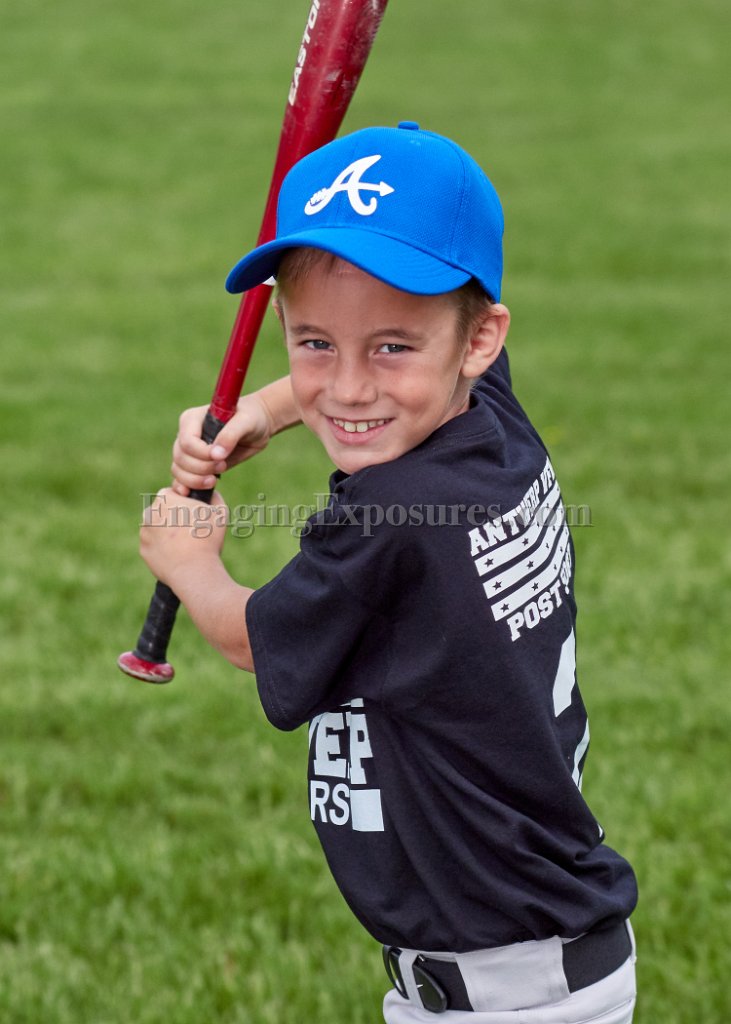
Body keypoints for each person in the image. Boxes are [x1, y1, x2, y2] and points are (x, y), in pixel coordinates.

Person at [140, 122, 638, 1023]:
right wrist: (264, 410)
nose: (347, 388)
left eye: (391, 348)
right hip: (527, 958)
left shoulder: (395, 520)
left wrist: (188, 562)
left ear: (478, 338)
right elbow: (366, 367)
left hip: (508, 994)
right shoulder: (487, 423)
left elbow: (254, 638)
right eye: (313, 343)